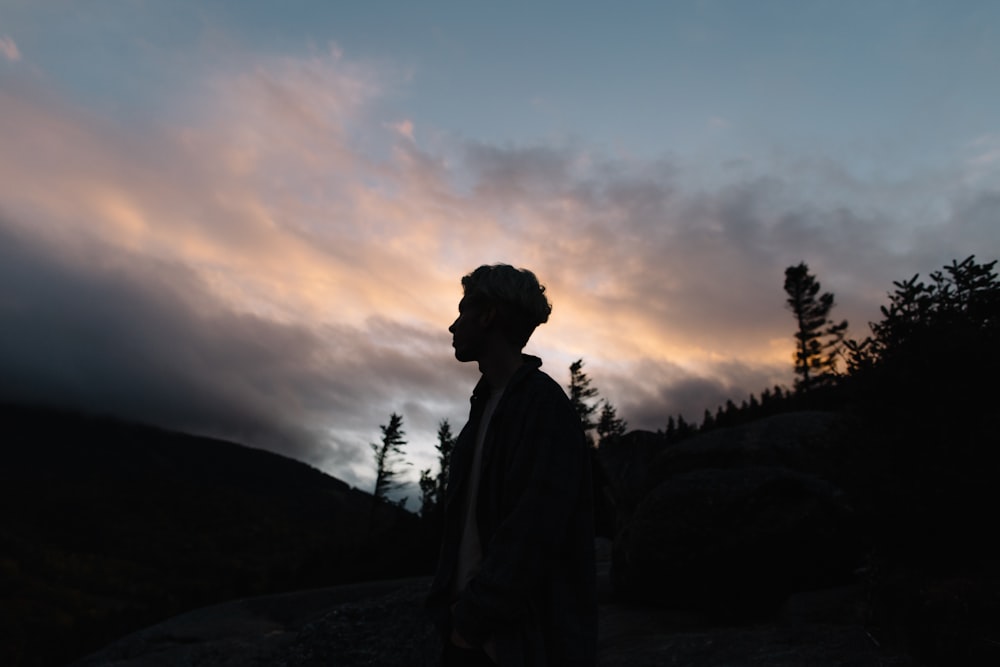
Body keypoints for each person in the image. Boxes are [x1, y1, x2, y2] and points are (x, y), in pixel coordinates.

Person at [426, 264, 597, 667]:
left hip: (513, 642)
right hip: (473, 633)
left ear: (488, 316)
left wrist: (469, 623)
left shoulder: (543, 407)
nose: (453, 326)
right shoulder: (486, 404)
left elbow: (533, 532)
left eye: (463, 311)